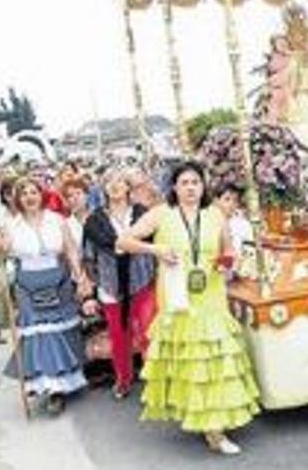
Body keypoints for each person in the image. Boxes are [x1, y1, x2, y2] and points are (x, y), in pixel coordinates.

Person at [118, 160, 260, 455]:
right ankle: (211, 427)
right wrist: (155, 249)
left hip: (211, 294)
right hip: (178, 296)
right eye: (184, 182)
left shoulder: (215, 215)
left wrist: (226, 262)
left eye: (196, 182)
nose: (191, 187)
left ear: (203, 185)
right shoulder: (161, 214)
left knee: (215, 358)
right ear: (174, 187)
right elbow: (124, 241)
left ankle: (215, 424)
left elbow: (228, 249)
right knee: (194, 361)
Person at [1, 177, 91, 415]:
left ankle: (63, 382)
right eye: (24, 194)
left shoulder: (57, 220)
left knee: (59, 330)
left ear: (41, 195)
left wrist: (79, 276)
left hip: (57, 279)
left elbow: (71, 250)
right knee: (39, 333)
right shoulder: (11, 225)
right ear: (18, 199)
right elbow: (3, 252)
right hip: (27, 284)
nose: (30, 197)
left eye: (34, 192)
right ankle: (49, 386)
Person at [82, 170, 157, 399]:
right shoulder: (94, 221)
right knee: (119, 336)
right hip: (111, 286)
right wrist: (98, 283)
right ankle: (123, 378)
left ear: (128, 187)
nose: (114, 186)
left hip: (142, 280)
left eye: (119, 182)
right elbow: (88, 255)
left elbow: (154, 243)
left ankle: (156, 377)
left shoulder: (142, 213)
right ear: (103, 189)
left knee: (148, 332)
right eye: (109, 182)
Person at [213, 183, 253, 261]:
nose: (231, 204)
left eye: (235, 200)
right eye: (227, 199)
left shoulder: (244, 225)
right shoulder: (207, 222)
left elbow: (249, 252)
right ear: (216, 201)